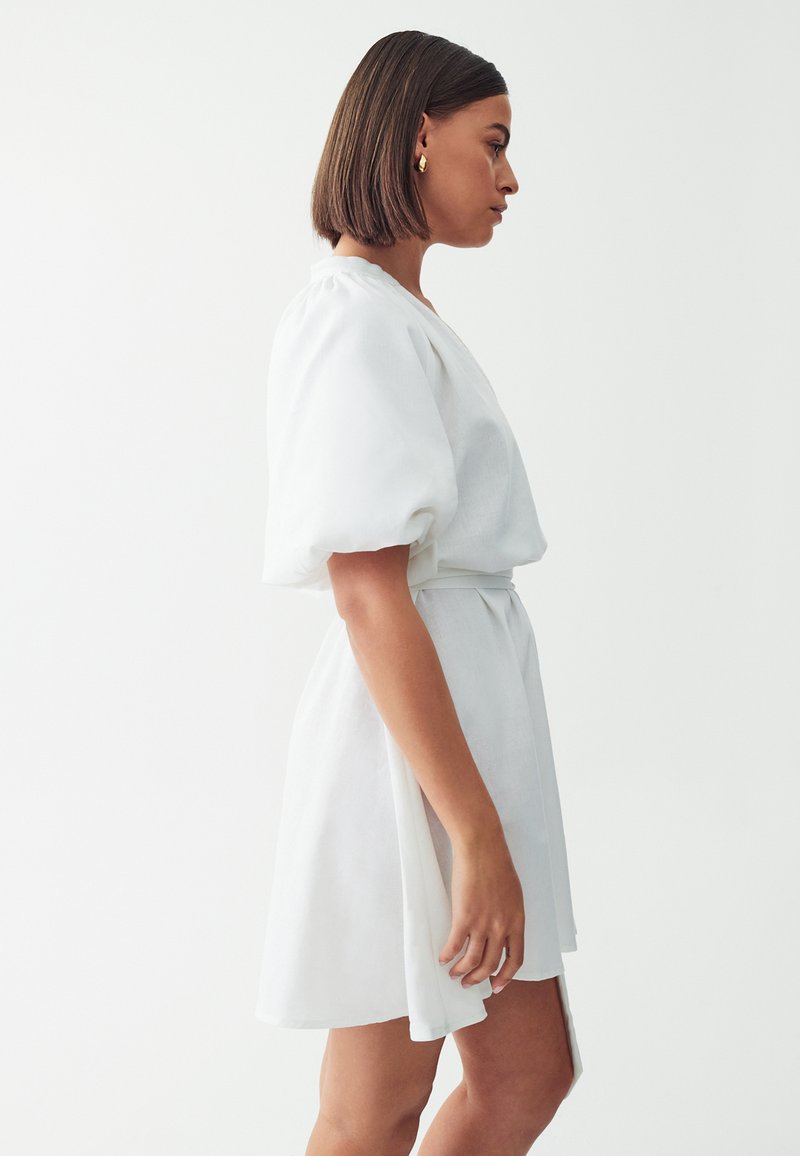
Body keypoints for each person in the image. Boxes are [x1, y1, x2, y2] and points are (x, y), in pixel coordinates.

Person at [256, 29, 583, 1156]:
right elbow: (366, 592)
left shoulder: (398, 314)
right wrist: (471, 829)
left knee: (527, 1074)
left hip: (470, 723)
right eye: (492, 143)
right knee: (374, 1110)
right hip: (410, 752)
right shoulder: (351, 318)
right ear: (416, 137)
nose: (509, 177)